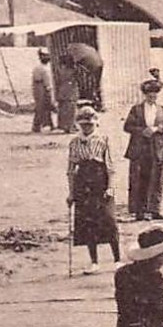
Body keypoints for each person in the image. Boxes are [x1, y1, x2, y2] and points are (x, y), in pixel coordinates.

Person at [67, 104, 121, 274]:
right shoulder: (74, 142)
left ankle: (117, 259)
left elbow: (110, 166)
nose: (87, 127)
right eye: (84, 124)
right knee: (88, 223)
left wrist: (110, 187)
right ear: (79, 125)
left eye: (90, 124)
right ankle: (94, 261)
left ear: (96, 123)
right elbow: (70, 170)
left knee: (109, 220)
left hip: (101, 180)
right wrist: (71, 193)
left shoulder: (103, 139)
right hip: (83, 183)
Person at [123, 78, 163, 221]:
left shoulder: (162, 109)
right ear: (145, 95)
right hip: (140, 149)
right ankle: (140, 211)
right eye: (150, 95)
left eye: (155, 95)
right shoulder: (136, 109)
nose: (152, 98)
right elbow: (127, 126)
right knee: (140, 179)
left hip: (158, 148)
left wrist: (158, 128)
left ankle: (155, 210)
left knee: (157, 179)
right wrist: (142, 131)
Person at [61, 41, 104, 111]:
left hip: (92, 67)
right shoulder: (86, 49)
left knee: (90, 86)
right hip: (98, 65)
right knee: (96, 86)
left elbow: (75, 64)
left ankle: (92, 101)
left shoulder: (75, 52)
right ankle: (99, 103)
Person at [30, 49, 56, 132]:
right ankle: (36, 126)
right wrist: (47, 89)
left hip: (45, 87)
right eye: (45, 56)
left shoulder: (47, 67)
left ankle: (49, 124)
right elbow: (40, 80)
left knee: (47, 106)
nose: (47, 57)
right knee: (40, 107)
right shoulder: (39, 68)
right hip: (41, 88)